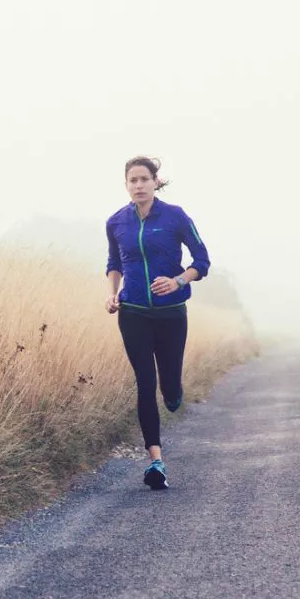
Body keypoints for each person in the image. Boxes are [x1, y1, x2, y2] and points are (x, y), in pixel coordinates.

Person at [104, 156, 210, 489]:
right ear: (126, 185)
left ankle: (175, 391)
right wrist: (113, 293)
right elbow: (114, 262)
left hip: (171, 313)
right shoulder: (116, 222)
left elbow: (202, 261)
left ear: (155, 182)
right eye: (132, 180)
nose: (138, 185)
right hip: (133, 311)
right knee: (144, 383)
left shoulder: (175, 216)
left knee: (169, 387)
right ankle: (156, 462)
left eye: (143, 179)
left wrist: (178, 281)